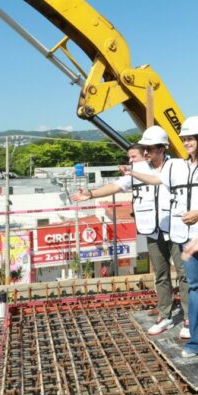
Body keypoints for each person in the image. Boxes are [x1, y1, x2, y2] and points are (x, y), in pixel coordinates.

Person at [123, 116, 198, 360]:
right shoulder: (177, 166)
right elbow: (156, 179)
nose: (186, 142)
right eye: (184, 139)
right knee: (194, 288)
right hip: (185, 239)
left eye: (191, 138)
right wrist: (133, 173)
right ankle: (196, 340)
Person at [72, 128, 188, 336]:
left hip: (176, 229)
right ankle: (165, 315)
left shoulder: (176, 166)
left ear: (162, 148)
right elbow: (116, 186)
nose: (146, 152)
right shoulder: (138, 169)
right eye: (144, 148)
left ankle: (189, 318)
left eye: (150, 148)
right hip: (152, 230)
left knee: (183, 274)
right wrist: (90, 194)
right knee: (161, 275)